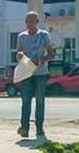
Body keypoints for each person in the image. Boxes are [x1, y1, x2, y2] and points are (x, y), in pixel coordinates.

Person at [16, 10, 55, 138]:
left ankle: (39, 128)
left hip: (41, 73)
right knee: (25, 100)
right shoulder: (21, 36)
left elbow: (51, 54)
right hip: (27, 73)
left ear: (37, 22)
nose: (29, 24)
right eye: (27, 21)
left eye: (31, 21)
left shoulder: (44, 35)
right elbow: (18, 53)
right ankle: (24, 128)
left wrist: (40, 61)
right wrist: (20, 55)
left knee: (40, 101)